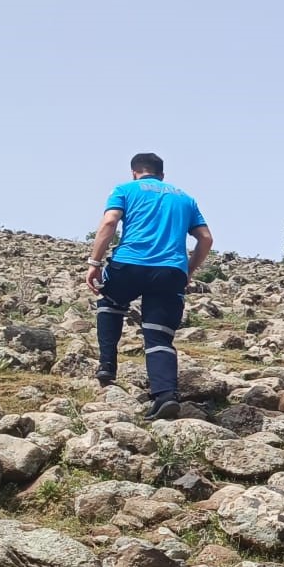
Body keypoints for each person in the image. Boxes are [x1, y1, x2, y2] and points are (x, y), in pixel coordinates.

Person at [85, 153, 213, 420]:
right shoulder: (185, 198)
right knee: (158, 336)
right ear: (162, 175)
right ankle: (165, 395)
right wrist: (187, 271)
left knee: (110, 302)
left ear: (134, 172)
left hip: (129, 265)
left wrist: (94, 262)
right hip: (170, 272)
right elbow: (206, 239)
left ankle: (107, 365)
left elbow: (109, 222)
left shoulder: (125, 189)